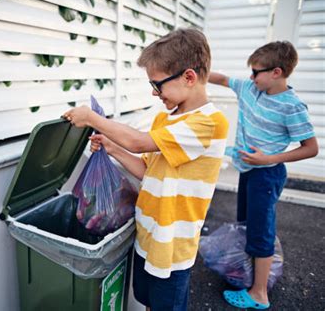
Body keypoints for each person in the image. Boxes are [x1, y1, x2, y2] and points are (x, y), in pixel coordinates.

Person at [63, 28, 229, 311]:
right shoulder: (167, 117)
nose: (154, 93)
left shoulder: (210, 123)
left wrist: (92, 118)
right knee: (148, 302)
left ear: (188, 77)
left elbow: (138, 143)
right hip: (148, 235)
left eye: (158, 84)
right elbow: (146, 169)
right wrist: (112, 148)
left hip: (172, 246)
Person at [208, 41, 318, 309]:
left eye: (256, 72)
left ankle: (259, 294)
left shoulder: (291, 107)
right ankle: (246, 273)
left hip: (267, 174)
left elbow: (311, 148)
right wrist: (192, 71)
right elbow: (222, 79)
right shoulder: (249, 88)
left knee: (260, 232)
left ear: (276, 72)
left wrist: (269, 158)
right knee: (246, 224)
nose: (251, 77)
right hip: (248, 170)